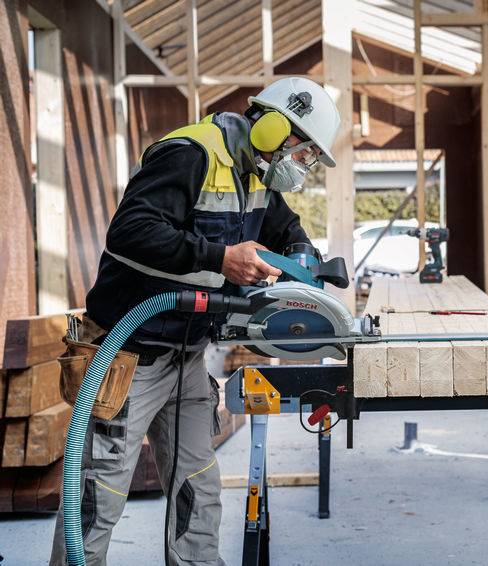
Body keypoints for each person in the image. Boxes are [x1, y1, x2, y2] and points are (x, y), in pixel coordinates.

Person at [50, 76, 341, 565]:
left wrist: (302, 256)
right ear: (272, 128)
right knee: (99, 497)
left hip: (186, 355)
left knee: (197, 494)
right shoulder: (190, 155)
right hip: (127, 355)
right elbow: (129, 232)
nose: (303, 164)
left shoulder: (256, 174)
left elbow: (284, 225)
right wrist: (221, 257)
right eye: (304, 151)